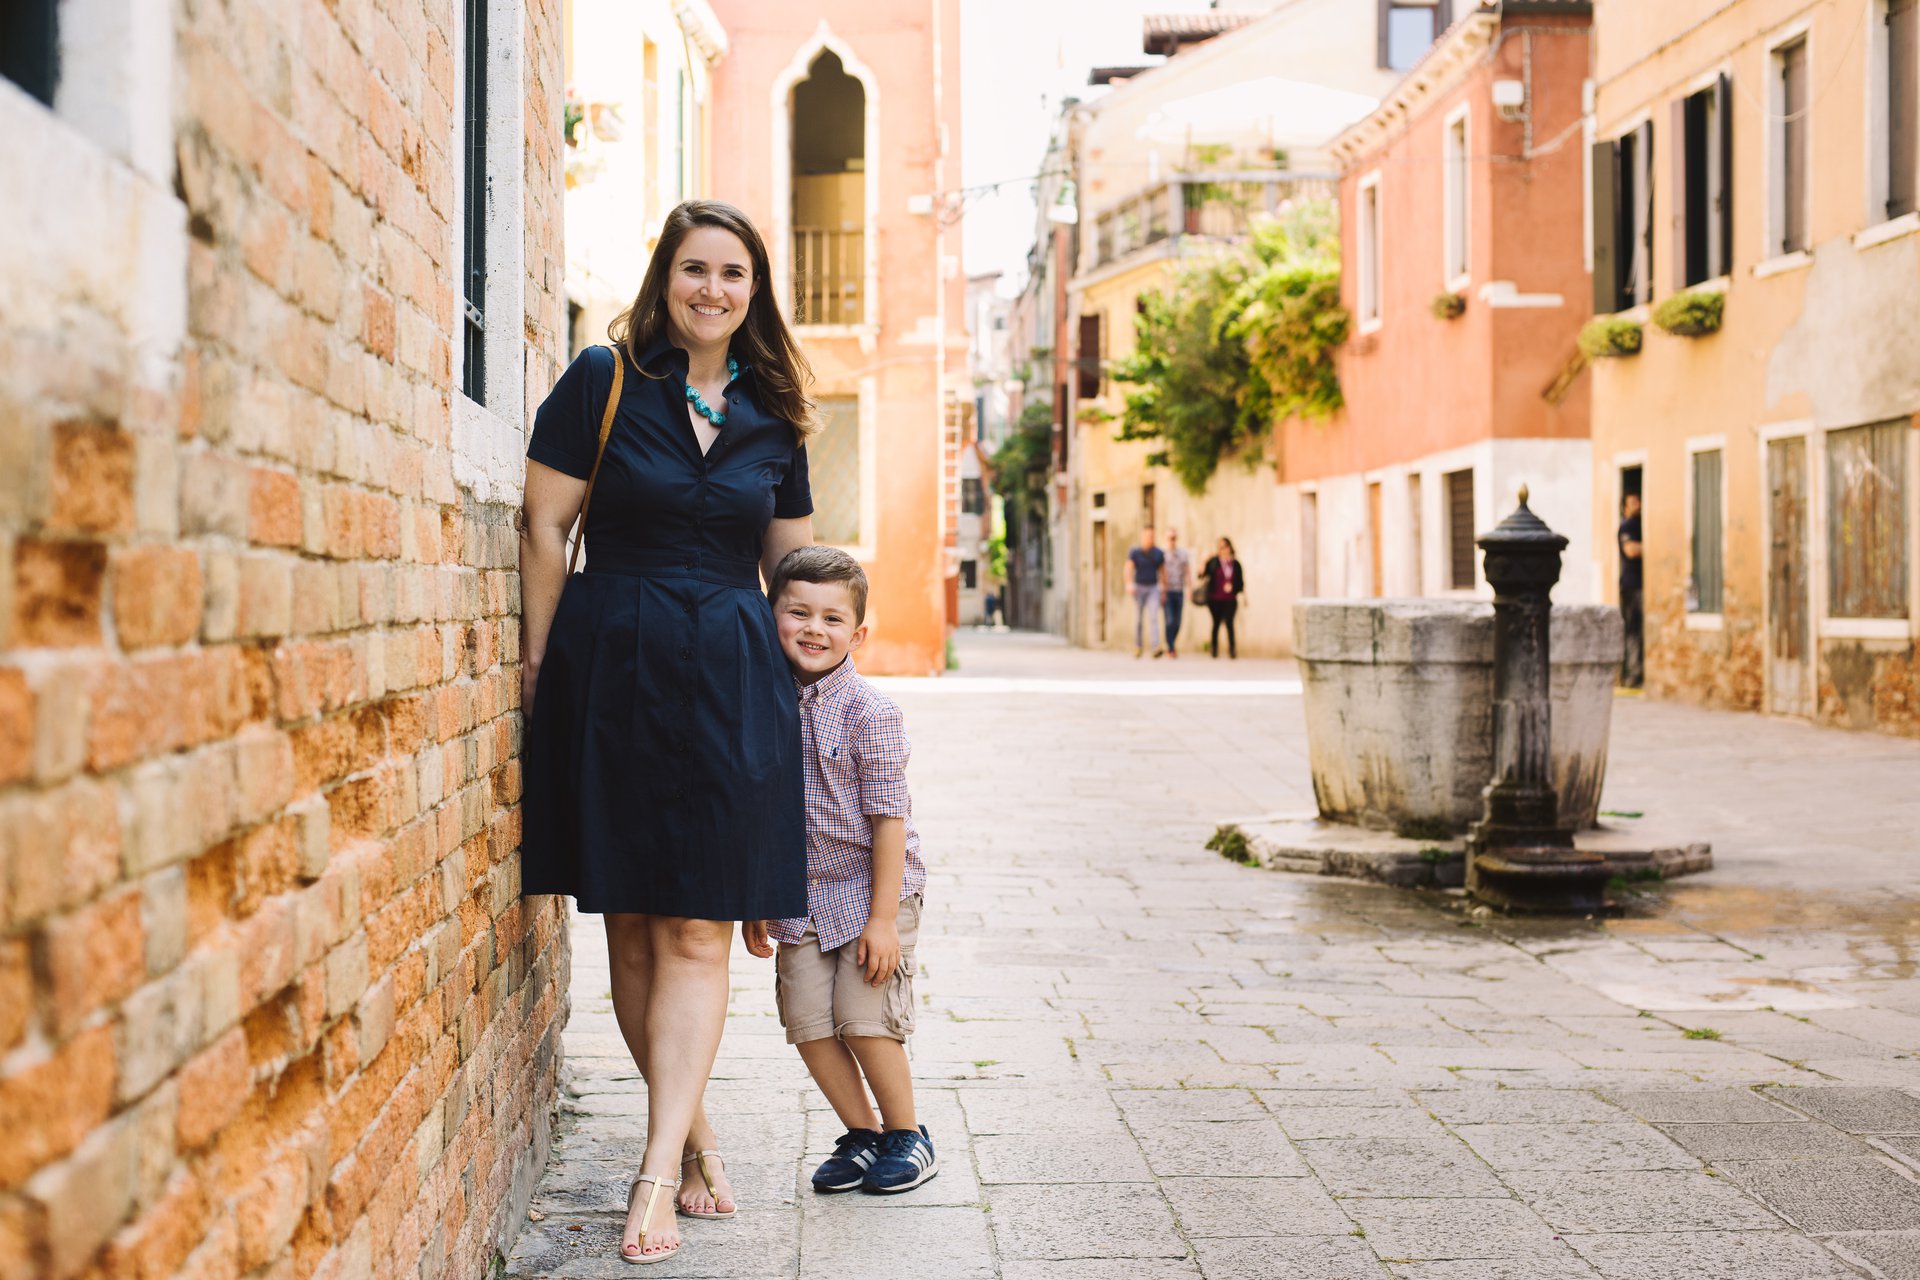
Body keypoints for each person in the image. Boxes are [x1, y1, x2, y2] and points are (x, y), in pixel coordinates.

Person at [518, 200, 818, 1265]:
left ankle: (651, 1174)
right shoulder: (603, 381)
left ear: (755, 290)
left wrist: (816, 688)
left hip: (733, 675)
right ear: (665, 277)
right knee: (637, 926)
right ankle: (688, 1136)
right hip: (613, 662)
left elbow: (793, 571)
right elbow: (548, 523)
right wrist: (540, 660)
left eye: (734, 273)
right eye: (695, 268)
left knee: (698, 927)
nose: (713, 289)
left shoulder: (776, 414)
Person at [746, 548, 937, 1195]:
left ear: (857, 635)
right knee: (807, 1021)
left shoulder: (871, 714)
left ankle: (908, 1135)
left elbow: (888, 822)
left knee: (863, 1016)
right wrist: (755, 896)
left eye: (832, 618)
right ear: (769, 616)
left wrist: (883, 921)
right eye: (797, 611)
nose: (813, 628)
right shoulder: (759, 703)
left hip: (870, 888)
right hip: (796, 891)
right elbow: (756, 808)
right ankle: (862, 1135)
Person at [1200, 536, 1246, 659]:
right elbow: (1201, 575)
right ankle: (1214, 649)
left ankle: (1232, 649)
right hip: (1215, 598)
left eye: (1225, 546)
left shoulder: (1235, 564)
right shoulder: (1214, 562)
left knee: (1229, 624)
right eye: (1220, 547)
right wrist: (1204, 561)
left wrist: (1240, 594)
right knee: (1215, 624)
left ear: (1230, 548)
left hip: (1230, 599)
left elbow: (1241, 582)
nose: (1223, 550)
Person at [1127, 527, 1167, 658]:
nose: (1149, 539)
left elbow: (1162, 571)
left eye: (1151, 536)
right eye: (1147, 536)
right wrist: (1129, 584)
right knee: (1138, 619)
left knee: (1154, 617)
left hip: (1153, 588)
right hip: (1139, 587)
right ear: (1142, 537)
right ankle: (1138, 646)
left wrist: (1164, 589)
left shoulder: (1158, 553)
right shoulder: (1135, 552)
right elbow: (1128, 568)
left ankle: (1155, 647)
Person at [1618, 492, 1644, 689]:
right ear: (1625, 507)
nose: (1638, 505)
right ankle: (1631, 674)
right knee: (1632, 631)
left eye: (1638, 501)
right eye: (1633, 503)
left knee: (1638, 631)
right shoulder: (1627, 526)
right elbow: (1631, 550)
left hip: (1639, 585)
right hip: (1630, 586)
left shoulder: (1639, 525)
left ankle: (1636, 672)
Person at [1161, 528, 1193, 658]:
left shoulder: (1183, 554)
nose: (1172, 541)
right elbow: (1159, 572)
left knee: (1178, 621)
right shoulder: (1161, 554)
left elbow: (1187, 571)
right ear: (1166, 539)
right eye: (1170, 538)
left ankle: (1170, 643)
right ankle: (1171, 648)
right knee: (1169, 620)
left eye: (1174, 538)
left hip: (1179, 591)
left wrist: (1190, 588)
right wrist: (1161, 589)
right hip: (1166, 591)